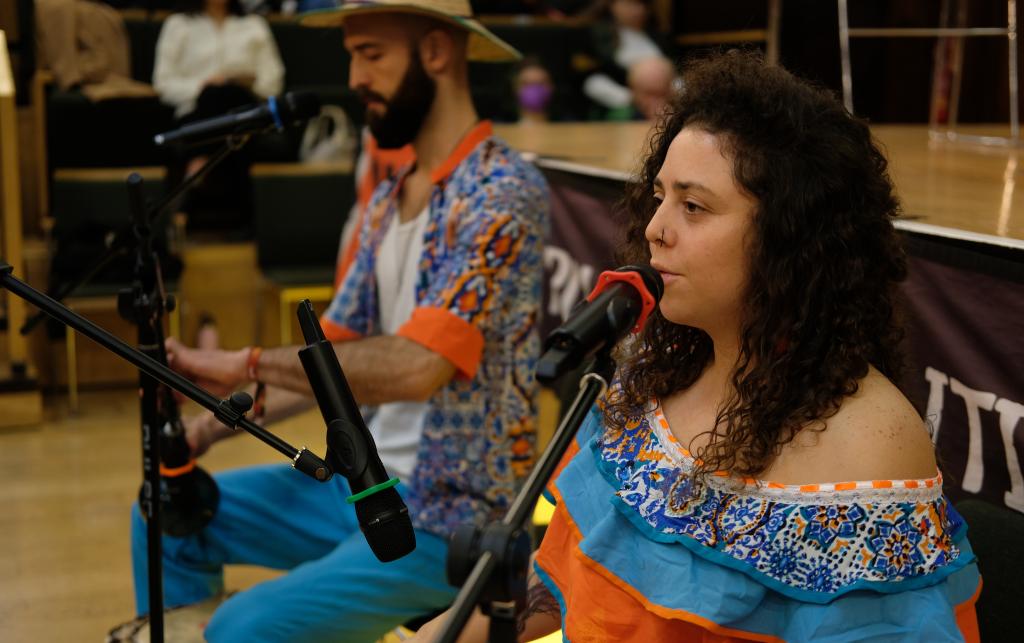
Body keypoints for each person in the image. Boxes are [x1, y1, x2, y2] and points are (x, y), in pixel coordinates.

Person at [413, 51, 982, 642]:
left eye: (693, 206)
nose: (656, 228)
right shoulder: (652, 379)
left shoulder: (871, 451)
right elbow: (565, 582)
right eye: (658, 197)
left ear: (791, 239)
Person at [130, 1, 549, 640]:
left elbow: (416, 367)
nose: (353, 77)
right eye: (351, 55)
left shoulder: (502, 191)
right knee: (165, 513)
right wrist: (205, 431)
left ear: (437, 52)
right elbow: (338, 356)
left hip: (453, 520)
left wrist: (241, 363)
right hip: (362, 487)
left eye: (371, 54)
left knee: (241, 628)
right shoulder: (388, 197)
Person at [153, 0, 285, 233]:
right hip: (195, 112)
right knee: (216, 95)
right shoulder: (178, 24)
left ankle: (197, 168)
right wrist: (203, 86)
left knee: (231, 96)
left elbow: (273, 82)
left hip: (244, 107)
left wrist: (242, 83)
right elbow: (163, 84)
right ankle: (239, 214)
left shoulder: (254, 24)